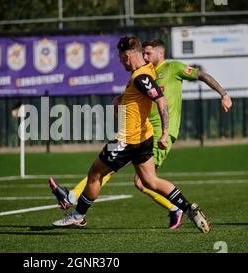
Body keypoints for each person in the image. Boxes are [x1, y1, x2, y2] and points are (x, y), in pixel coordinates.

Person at [50, 38, 232, 230]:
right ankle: (189, 209)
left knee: (95, 173)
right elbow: (142, 94)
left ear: (128, 56)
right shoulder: (147, 70)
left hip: (126, 139)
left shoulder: (140, 77)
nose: (121, 63)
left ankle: (78, 215)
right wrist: (121, 98)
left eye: (121, 59)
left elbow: (161, 101)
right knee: (149, 181)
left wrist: (164, 133)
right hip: (144, 138)